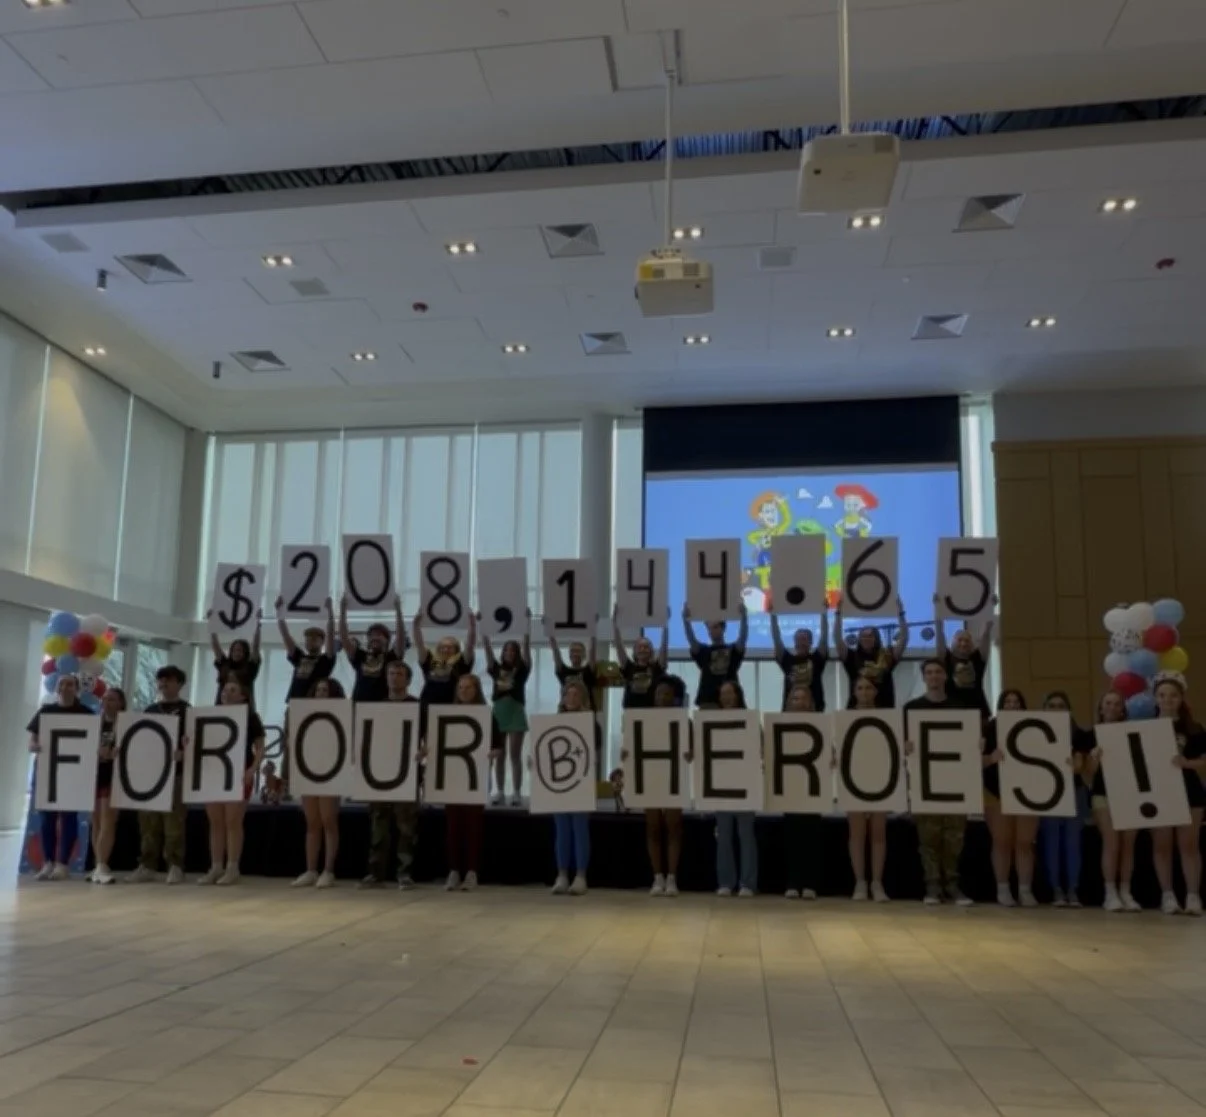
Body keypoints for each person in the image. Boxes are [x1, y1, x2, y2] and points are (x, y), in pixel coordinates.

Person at [903, 659, 971, 906]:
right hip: (924, 782)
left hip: (955, 782)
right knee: (928, 838)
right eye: (929, 672)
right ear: (924, 677)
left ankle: (952, 885)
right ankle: (932, 886)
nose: (933, 676)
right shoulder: (911, 709)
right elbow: (903, 745)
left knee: (954, 838)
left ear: (945, 676)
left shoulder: (960, 707)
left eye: (938, 672)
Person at [359, 662, 421, 891]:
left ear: (408, 679)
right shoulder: (378, 706)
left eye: (400, 674)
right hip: (380, 773)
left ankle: (404, 873)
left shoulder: (417, 706)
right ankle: (375, 873)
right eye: (391, 674)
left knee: (407, 827)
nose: (395, 678)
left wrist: (423, 750)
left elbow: (428, 736)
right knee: (378, 825)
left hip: (407, 774)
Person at [197, 678, 264, 886]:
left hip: (239, 772)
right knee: (215, 821)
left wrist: (253, 769)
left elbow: (260, 747)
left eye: (233, 690)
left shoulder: (251, 717)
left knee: (232, 821)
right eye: (225, 689)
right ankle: (216, 866)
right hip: (214, 773)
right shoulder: (211, 715)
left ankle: (232, 866)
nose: (226, 693)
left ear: (243, 696)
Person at [127, 666, 190, 884]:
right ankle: (147, 864)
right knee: (148, 823)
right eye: (161, 680)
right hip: (150, 777)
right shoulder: (150, 710)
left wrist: (184, 752)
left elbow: (194, 741)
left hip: (176, 775)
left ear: (179, 684)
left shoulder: (187, 711)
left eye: (168, 680)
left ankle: (175, 865)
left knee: (174, 823)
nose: (163, 684)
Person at [26, 674, 92, 881]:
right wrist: (34, 745)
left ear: (77, 689)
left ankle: (63, 864)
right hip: (47, 772)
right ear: (56, 688)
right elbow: (32, 739)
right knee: (47, 819)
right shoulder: (46, 712)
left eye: (70, 684)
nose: (65, 687)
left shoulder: (86, 713)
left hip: (73, 773)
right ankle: (47, 862)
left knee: (69, 817)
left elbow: (93, 741)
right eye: (61, 684)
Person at [1151, 676, 1205, 916]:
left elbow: (1203, 761)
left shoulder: (1194, 729)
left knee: (1189, 844)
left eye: (1173, 695)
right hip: (1159, 791)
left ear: (1181, 698)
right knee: (1162, 845)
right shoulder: (1145, 728)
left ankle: (1193, 895)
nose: (1167, 700)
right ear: (1156, 699)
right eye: (1162, 695)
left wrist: (1186, 763)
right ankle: (1168, 895)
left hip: (1189, 790)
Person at [982, 689, 1041, 906]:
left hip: (1027, 792)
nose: (1012, 705)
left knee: (1024, 842)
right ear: (1001, 705)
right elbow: (975, 760)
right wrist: (990, 758)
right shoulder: (990, 728)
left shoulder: (1035, 728)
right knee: (1001, 840)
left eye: (1016, 702)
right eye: (1008, 702)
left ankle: (1025, 889)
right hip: (995, 790)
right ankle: (1003, 888)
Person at [1083, 691, 1140, 912]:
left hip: (1130, 794)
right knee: (1111, 842)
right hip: (1102, 793)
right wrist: (1094, 759)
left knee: (1128, 845)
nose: (1112, 707)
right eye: (1108, 703)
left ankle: (1126, 890)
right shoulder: (1091, 735)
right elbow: (1088, 773)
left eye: (1117, 704)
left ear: (1123, 709)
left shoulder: (1133, 733)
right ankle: (1110, 892)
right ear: (1101, 707)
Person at [444, 673, 501, 889]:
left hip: (476, 777)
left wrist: (494, 753)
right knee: (453, 826)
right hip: (452, 777)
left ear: (476, 691)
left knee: (473, 826)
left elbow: (497, 744)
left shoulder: (486, 716)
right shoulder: (446, 714)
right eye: (461, 687)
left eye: (469, 687)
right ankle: (453, 871)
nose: (464, 691)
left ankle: (472, 871)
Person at [1038, 691, 1091, 907]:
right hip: (1047, 793)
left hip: (1074, 791)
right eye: (1051, 706)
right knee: (1051, 841)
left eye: (1061, 706)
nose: (1056, 710)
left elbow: (1081, 767)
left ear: (1068, 710)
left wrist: (1076, 764)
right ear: (1044, 709)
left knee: (1072, 842)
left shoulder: (1078, 735)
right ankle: (1055, 889)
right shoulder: (1036, 734)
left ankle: (1073, 889)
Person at [292, 677, 347, 889]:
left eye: (325, 690)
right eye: (318, 690)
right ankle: (310, 869)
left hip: (331, 771)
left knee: (328, 821)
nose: (321, 694)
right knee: (312, 823)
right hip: (308, 770)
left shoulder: (341, 716)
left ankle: (328, 870)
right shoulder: (304, 715)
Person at [637, 677, 687, 897]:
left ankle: (672, 878)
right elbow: (634, 745)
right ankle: (657, 876)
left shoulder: (683, 721)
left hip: (674, 777)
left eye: (667, 693)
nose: (662, 697)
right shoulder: (643, 720)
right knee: (653, 827)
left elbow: (692, 747)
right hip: (651, 777)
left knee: (673, 826)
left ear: (674, 698)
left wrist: (690, 753)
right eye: (659, 693)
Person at [550, 679, 599, 896]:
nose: (571, 698)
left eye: (575, 694)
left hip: (581, 781)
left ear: (583, 698)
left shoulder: (592, 724)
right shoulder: (553, 722)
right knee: (561, 829)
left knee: (580, 828)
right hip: (558, 783)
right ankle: (561, 874)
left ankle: (580, 875)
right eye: (567, 694)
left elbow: (595, 753)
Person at [845, 675, 892, 901]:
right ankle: (860, 881)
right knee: (857, 833)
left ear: (875, 692)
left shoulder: (887, 717)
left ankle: (877, 882)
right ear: (854, 692)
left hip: (880, 777)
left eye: (868, 688)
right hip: (852, 778)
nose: (864, 692)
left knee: (878, 832)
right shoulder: (845, 718)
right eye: (860, 688)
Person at [711, 680, 758, 897]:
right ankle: (726, 882)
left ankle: (748, 882)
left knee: (746, 835)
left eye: (730, 693)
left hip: (745, 784)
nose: (727, 697)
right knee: (724, 835)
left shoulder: (749, 720)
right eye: (723, 694)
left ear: (738, 695)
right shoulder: (711, 721)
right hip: (721, 784)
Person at [481, 611, 532, 806]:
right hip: (499, 713)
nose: (509, 653)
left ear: (516, 653)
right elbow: (487, 648)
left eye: (513, 651)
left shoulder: (522, 669)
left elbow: (527, 645)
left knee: (515, 755)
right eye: (507, 651)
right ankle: (500, 791)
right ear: (503, 653)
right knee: (499, 755)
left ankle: (517, 792)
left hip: (516, 711)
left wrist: (527, 622)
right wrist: (483, 625)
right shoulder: (496, 669)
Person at [782, 684, 821, 900]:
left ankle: (810, 883)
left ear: (810, 702)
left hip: (813, 787)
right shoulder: (781, 725)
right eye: (795, 698)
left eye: (803, 698)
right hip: (790, 787)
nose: (799, 702)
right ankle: (793, 882)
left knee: (811, 835)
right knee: (792, 835)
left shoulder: (820, 724)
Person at [413, 611, 476, 743]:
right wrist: (416, 625)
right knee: (426, 743)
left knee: (448, 742)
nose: (445, 650)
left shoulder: (461, 662)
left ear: (456, 650)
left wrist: (472, 624)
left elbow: (470, 644)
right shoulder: (430, 660)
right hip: (426, 708)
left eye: (450, 647)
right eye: (442, 647)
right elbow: (419, 644)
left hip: (451, 708)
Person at [835, 596, 908, 709]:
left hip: (884, 708)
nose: (867, 639)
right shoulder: (852, 656)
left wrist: (901, 614)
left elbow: (904, 638)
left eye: (870, 636)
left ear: (876, 638)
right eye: (863, 636)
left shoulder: (886, 655)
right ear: (859, 639)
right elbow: (837, 639)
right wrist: (838, 614)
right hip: (856, 709)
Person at [933, 596, 996, 717]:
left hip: (978, 711)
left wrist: (991, 607)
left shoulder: (977, 658)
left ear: (972, 644)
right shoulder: (946, 658)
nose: (963, 643)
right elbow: (939, 633)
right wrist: (938, 608)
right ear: (952, 642)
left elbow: (986, 632)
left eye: (967, 640)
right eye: (960, 640)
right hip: (951, 711)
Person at [89, 686, 127, 885]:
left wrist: (117, 753)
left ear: (121, 703)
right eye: (104, 699)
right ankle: (98, 864)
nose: (106, 703)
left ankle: (103, 863)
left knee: (107, 821)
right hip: (96, 774)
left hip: (115, 776)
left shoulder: (126, 725)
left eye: (111, 699)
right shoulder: (96, 724)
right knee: (95, 821)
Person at [339, 593, 406, 703]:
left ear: (387, 640)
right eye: (371, 635)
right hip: (358, 705)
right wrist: (342, 610)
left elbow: (401, 637)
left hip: (383, 706)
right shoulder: (361, 656)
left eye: (379, 635)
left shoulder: (391, 657)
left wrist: (398, 610)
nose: (375, 638)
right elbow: (344, 638)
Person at [682, 602, 749, 709]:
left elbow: (743, 639)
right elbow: (692, 640)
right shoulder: (704, 651)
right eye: (709, 628)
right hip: (708, 702)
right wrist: (686, 620)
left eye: (715, 627)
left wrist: (744, 617)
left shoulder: (732, 650)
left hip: (730, 701)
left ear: (723, 628)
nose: (712, 631)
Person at [277, 595, 336, 701]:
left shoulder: (325, 660)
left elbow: (331, 635)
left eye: (314, 639)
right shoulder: (299, 657)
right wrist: (279, 612)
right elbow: (285, 635)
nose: (310, 642)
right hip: (295, 702)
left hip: (314, 702)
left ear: (322, 642)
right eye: (307, 639)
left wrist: (330, 612)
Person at [612, 604, 669, 710]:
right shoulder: (629, 667)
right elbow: (619, 645)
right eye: (639, 647)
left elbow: (664, 646)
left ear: (651, 651)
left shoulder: (657, 667)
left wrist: (665, 624)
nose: (642, 649)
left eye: (646, 647)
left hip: (651, 712)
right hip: (631, 712)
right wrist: (615, 623)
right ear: (634, 651)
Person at [771, 611, 829, 712]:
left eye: (804, 639)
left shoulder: (817, 659)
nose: (801, 642)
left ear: (811, 642)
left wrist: (823, 612)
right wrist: (773, 614)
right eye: (798, 639)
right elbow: (776, 638)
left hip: (815, 711)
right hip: (790, 711)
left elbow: (824, 637)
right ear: (794, 642)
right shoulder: (787, 660)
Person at [209, 611, 262, 706]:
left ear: (245, 653)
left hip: (243, 708)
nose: (236, 653)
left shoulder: (250, 666)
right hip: (221, 706)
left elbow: (255, 646)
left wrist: (257, 624)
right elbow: (215, 646)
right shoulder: (224, 664)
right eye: (234, 650)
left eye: (240, 650)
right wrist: (211, 623)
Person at [550, 627, 598, 709]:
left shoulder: (588, 670)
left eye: (578, 651)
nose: (575, 653)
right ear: (569, 655)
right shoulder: (564, 671)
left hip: (586, 711)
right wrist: (550, 631)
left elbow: (592, 650)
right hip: (567, 712)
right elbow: (555, 651)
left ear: (584, 655)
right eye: (572, 651)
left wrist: (593, 629)